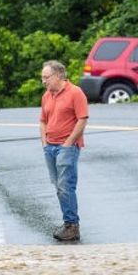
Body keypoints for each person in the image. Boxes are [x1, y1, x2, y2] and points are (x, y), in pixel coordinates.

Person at [39, 60, 89, 242]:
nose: (44, 81)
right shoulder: (47, 96)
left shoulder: (75, 93)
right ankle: (68, 223)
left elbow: (82, 119)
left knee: (65, 186)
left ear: (58, 75)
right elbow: (43, 120)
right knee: (58, 186)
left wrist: (69, 142)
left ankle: (72, 225)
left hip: (66, 147)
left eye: (46, 77)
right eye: (42, 78)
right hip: (50, 147)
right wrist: (44, 143)